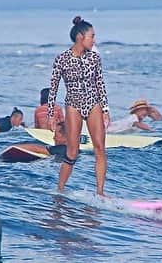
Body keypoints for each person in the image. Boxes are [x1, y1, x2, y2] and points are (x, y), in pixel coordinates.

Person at [47, 16, 110, 196]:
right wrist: (51, 114)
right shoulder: (62, 59)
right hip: (73, 105)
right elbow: (53, 88)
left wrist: (105, 110)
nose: (94, 40)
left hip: (93, 104)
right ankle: (59, 190)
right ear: (80, 37)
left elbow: (100, 84)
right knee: (72, 151)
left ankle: (100, 192)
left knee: (100, 148)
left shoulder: (94, 58)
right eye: (92, 36)